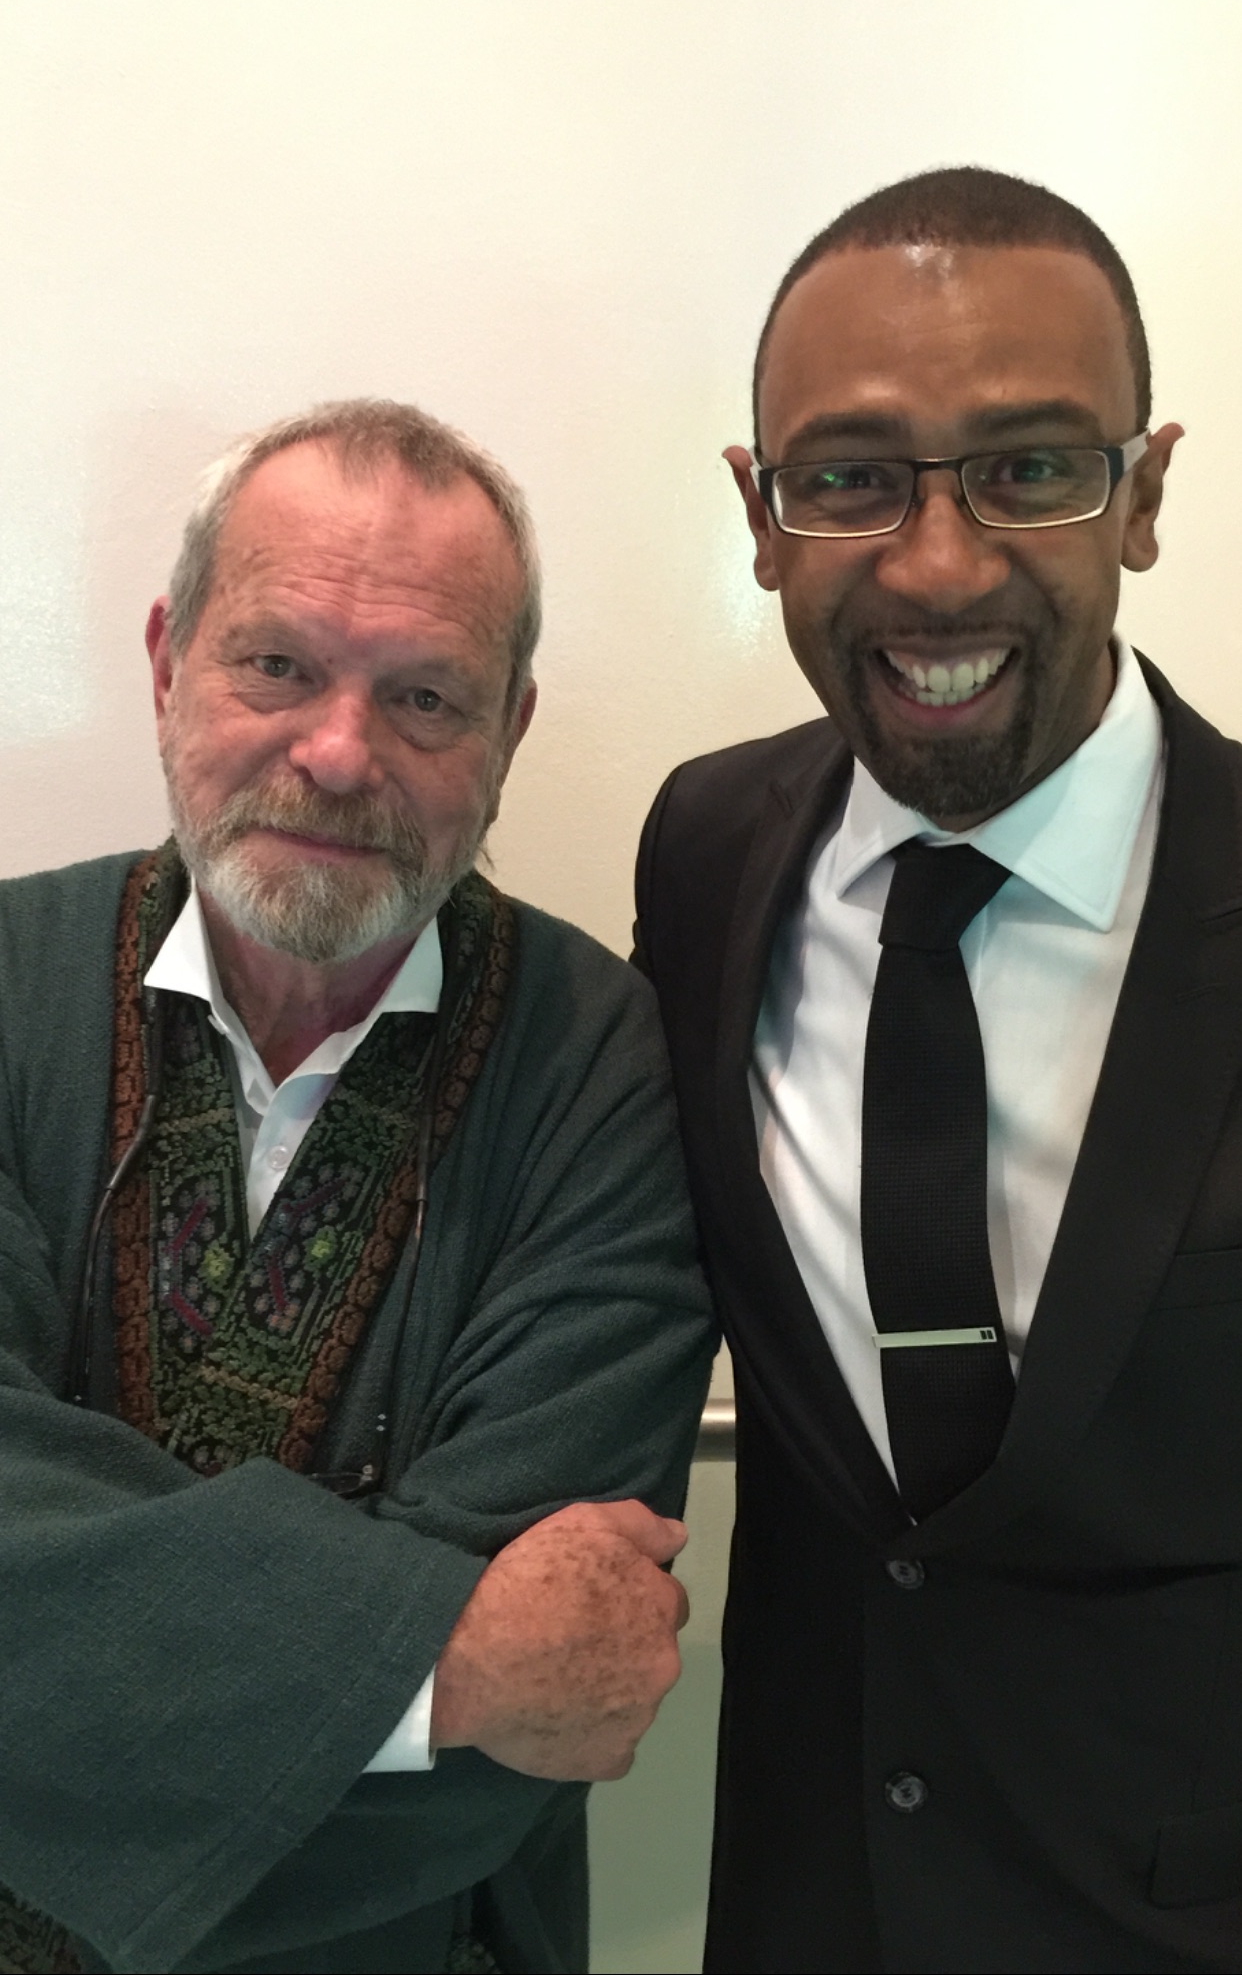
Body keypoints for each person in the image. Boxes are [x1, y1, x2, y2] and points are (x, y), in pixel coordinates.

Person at [0, 398, 714, 1975]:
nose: (338, 752)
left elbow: (545, 1710)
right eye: (276, 664)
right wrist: (446, 1667)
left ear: (509, 732)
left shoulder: (600, 1067)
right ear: (166, 658)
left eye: (424, 697)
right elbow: (515, 1678)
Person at [634, 165, 1242, 1973]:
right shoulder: (703, 844)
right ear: (759, 518)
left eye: (1031, 466)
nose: (938, 560)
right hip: (807, 1906)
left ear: (1141, 494)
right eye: (849, 479)